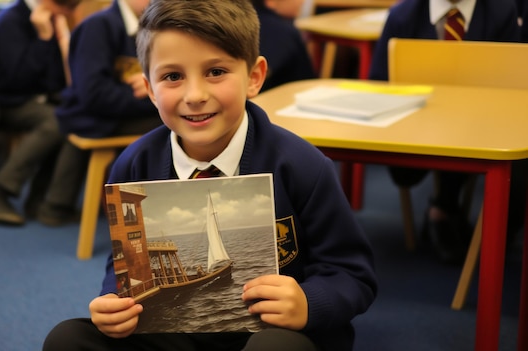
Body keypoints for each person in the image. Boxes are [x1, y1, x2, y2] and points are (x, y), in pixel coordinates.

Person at [43, 1, 377, 350]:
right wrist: (114, 300)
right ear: (150, 89)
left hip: (274, 334)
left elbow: (352, 274)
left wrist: (309, 302)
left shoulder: (303, 166)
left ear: (254, 77)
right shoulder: (133, 165)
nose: (195, 95)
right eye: (173, 76)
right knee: (67, 339)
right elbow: (123, 264)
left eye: (215, 72)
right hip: (176, 331)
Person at [368, 0, 521, 264]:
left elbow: (513, 83)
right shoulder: (403, 15)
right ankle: (445, 211)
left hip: (483, 124)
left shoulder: (500, 11)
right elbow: (378, 84)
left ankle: (458, 220)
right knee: (406, 168)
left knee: (514, 170)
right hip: (413, 124)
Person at [35, 0, 161, 226]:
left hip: (102, 111)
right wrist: (155, 95)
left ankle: (56, 205)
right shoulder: (98, 26)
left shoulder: (149, 25)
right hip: (96, 113)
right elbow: (94, 95)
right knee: (171, 124)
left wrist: (153, 85)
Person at [0, 0, 80, 225]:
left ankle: (40, 201)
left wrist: (63, 43)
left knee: (70, 117)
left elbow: (56, 81)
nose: (69, 13)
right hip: (4, 101)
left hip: (38, 99)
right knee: (55, 121)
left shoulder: (50, 20)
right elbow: (18, 79)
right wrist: (43, 38)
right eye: (67, 8)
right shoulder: (9, 22)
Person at [251, 0, 316, 91]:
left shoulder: (243, 24)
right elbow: (307, 82)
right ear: (271, 1)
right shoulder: (284, 33)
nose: (302, 2)